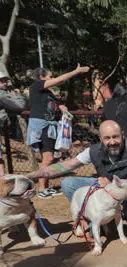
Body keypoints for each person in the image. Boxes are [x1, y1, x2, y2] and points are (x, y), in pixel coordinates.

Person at [28, 120, 127, 222]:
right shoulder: (93, 151)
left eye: (116, 136)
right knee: (68, 183)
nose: (112, 142)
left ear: (122, 135)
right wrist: (30, 175)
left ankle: (110, 218)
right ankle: (88, 217)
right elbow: (66, 166)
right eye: (107, 138)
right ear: (100, 138)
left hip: (126, 194)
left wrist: (109, 187)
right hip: (103, 191)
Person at [28, 64, 90, 198]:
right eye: (50, 76)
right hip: (42, 126)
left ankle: (45, 187)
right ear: (41, 77)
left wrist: (64, 109)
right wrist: (76, 71)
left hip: (50, 126)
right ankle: (42, 189)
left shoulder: (47, 92)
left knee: (48, 158)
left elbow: (58, 104)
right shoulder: (37, 85)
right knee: (48, 158)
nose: (53, 78)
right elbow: (60, 80)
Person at [0, 69, 26, 176]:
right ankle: (2, 181)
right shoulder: (1, 95)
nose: (5, 83)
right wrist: (20, 95)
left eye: (5, 80)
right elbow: (19, 106)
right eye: (1, 81)